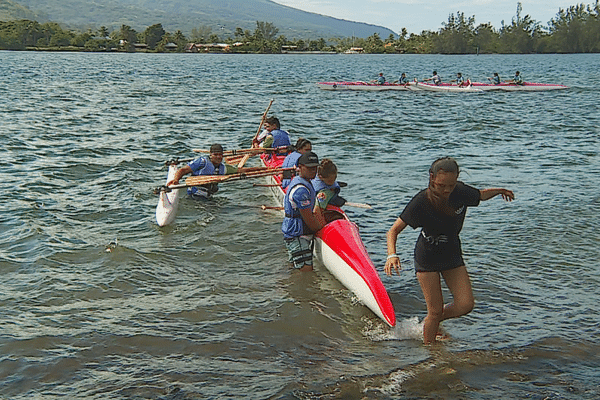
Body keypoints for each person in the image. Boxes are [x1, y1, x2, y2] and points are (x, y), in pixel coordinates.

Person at [384, 157, 515, 344]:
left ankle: (431, 323)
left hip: (452, 253)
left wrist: (500, 191)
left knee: (465, 305)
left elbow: (480, 195)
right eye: (441, 185)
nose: (446, 190)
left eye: (451, 185)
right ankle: (430, 353)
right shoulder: (422, 201)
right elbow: (393, 230)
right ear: (431, 177)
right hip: (427, 256)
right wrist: (392, 254)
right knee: (435, 310)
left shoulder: (460, 192)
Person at [281, 152, 325, 271]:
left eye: (315, 168)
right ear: (299, 167)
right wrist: (322, 228)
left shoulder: (303, 181)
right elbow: (309, 219)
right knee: (305, 269)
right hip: (297, 234)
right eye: (310, 168)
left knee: (295, 266)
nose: (313, 171)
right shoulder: (300, 190)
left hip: (293, 232)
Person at [167, 143, 244, 199]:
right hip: (194, 195)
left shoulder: (222, 168)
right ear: (211, 155)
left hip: (208, 196)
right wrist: (176, 180)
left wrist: (256, 169)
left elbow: (239, 171)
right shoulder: (201, 162)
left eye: (220, 154)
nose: (218, 157)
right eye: (215, 154)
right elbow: (183, 170)